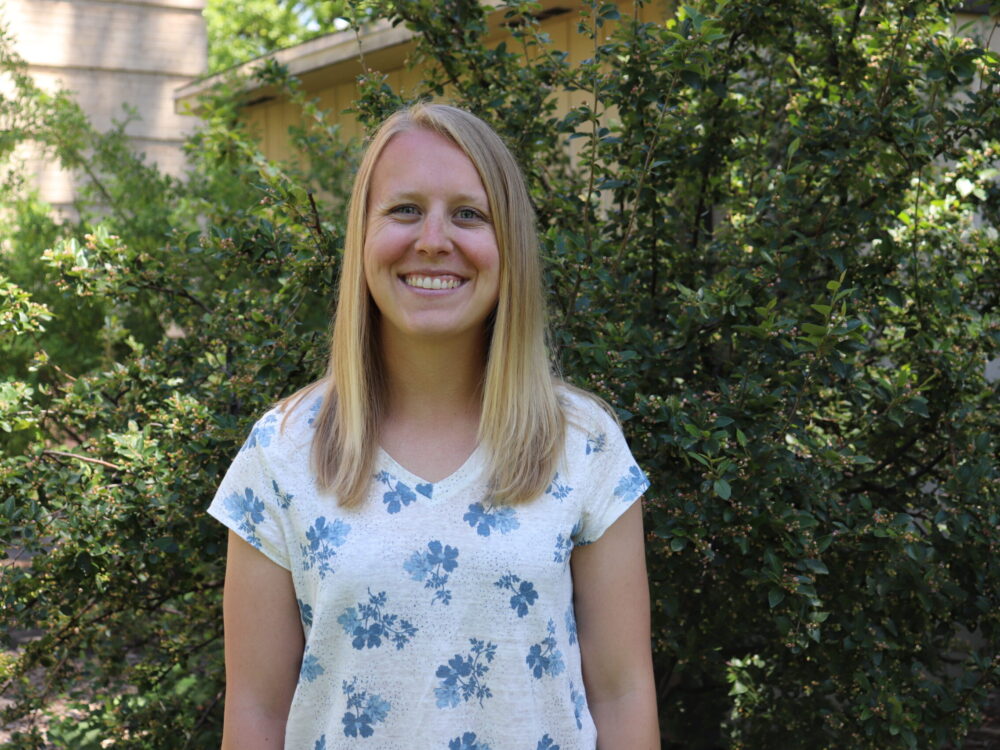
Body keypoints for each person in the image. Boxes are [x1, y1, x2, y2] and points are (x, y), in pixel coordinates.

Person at [208, 103, 659, 749]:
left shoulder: (583, 445)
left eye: (469, 214)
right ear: (362, 236)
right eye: (405, 210)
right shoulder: (281, 452)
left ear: (509, 245)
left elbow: (622, 695)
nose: (433, 240)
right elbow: (255, 712)